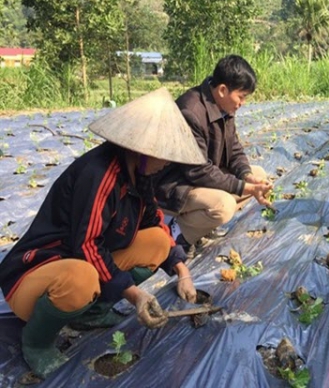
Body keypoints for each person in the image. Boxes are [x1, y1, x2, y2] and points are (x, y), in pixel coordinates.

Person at [0, 88, 205, 378]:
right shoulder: (99, 174)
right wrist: (135, 295)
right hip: (36, 273)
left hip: (81, 262)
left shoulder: (141, 176)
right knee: (81, 278)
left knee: (157, 243)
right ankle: (36, 342)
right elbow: (86, 245)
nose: (166, 163)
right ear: (143, 150)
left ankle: (90, 313)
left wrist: (182, 271)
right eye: (163, 156)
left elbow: (156, 223)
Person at [154, 55, 272, 256]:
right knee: (224, 206)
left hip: (199, 177)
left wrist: (247, 177)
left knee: (258, 173)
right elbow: (197, 170)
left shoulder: (224, 107)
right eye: (241, 96)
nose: (242, 103)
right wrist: (245, 187)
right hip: (174, 185)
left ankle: (202, 223)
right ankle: (178, 232)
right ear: (223, 90)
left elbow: (234, 149)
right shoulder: (190, 111)